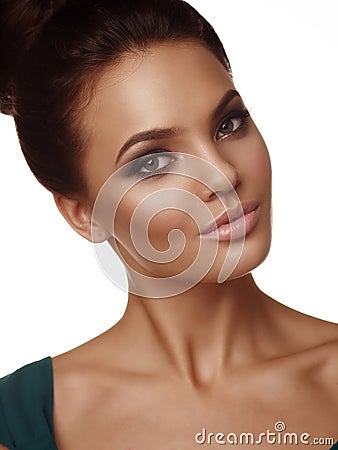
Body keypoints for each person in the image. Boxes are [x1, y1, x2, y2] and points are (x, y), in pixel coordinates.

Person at [0, 1, 337, 449]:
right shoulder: (19, 423)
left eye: (228, 124)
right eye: (154, 161)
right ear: (82, 213)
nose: (224, 174)